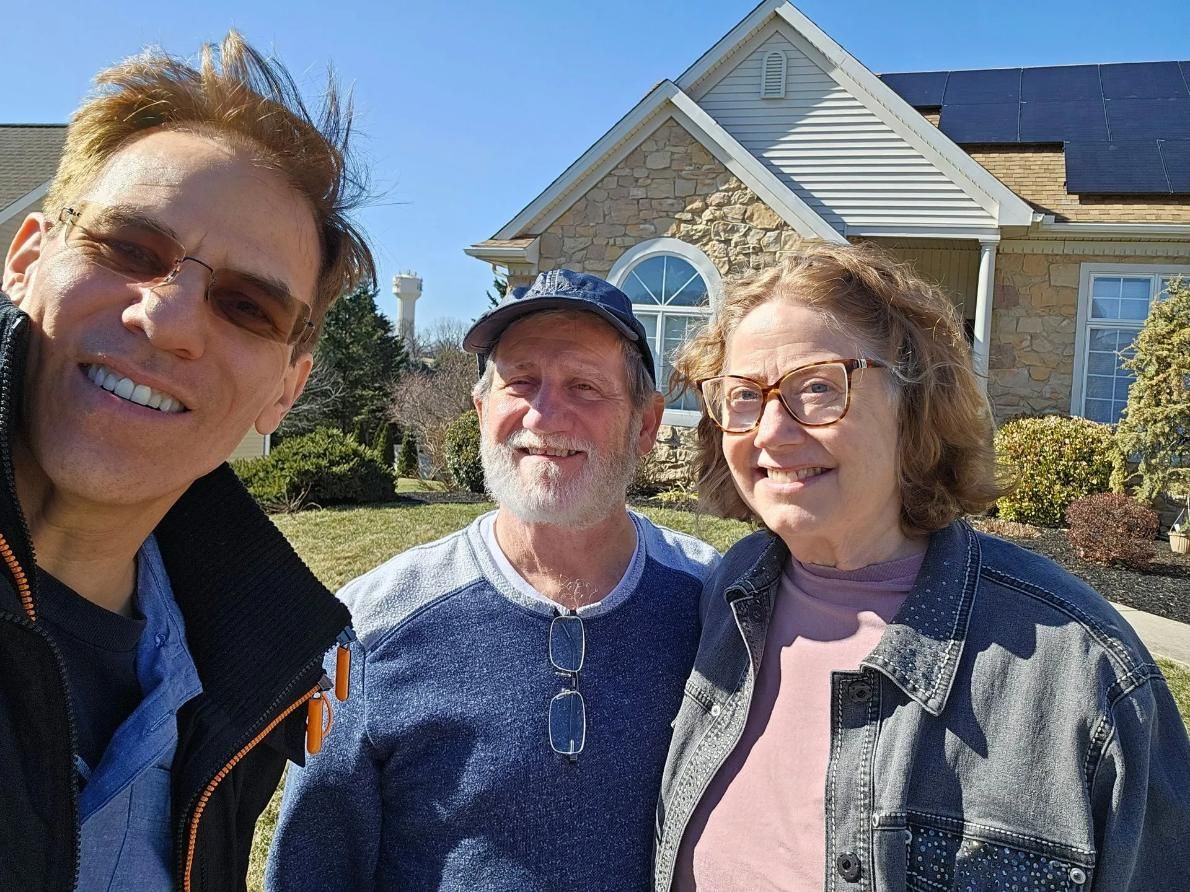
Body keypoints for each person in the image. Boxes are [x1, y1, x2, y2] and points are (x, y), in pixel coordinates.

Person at [655, 242, 1190, 891]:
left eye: (818, 387)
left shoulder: (1083, 673)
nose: (769, 431)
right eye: (743, 396)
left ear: (914, 402)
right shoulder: (724, 600)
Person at [0, 33, 374, 890]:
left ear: (285, 390)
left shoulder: (251, 683)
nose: (166, 321)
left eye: (245, 307)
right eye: (129, 250)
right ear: (26, 260)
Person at [268, 269, 720, 890]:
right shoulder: (369, 629)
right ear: (483, 411)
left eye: (585, 387)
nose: (544, 413)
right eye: (520, 382)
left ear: (644, 426)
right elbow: (313, 867)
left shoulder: (719, 611)